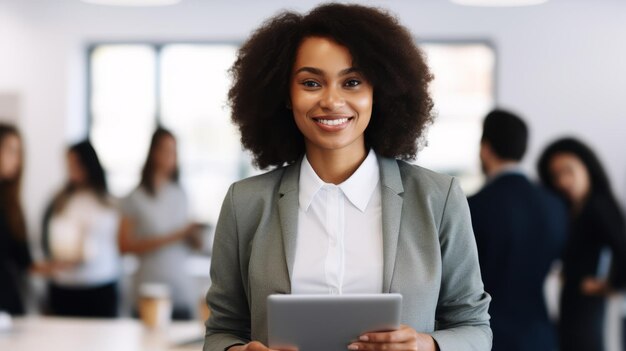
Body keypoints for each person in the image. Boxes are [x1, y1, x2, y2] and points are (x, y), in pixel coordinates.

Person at [204, 4, 491, 351]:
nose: (332, 100)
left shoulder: (438, 198)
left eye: (352, 82)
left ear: (378, 91)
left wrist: (425, 345)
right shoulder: (245, 204)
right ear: (285, 95)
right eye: (311, 83)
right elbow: (222, 330)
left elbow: (474, 327)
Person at [468, 110, 567, 351]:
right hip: (541, 335)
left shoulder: (472, 206)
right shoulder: (555, 205)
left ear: (485, 149)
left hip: (488, 336)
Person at [537, 137, 626, 351]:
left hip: (586, 300)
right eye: (556, 175)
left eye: (569, 171)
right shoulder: (570, 208)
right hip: (570, 296)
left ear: (586, 166)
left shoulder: (598, 205)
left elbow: (623, 248)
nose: (563, 181)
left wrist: (610, 285)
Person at [119, 127, 202, 320]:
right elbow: (123, 246)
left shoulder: (181, 194)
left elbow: (190, 244)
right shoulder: (135, 198)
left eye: (174, 151)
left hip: (179, 288)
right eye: (166, 150)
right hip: (148, 291)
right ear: (153, 153)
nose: (171, 157)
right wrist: (175, 235)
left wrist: (193, 236)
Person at [44, 140, 121, 317]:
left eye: (76, 163)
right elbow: (47, 237)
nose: (72, 169)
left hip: (99, 283)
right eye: (69, 164)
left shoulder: (106, 201)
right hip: (65, 285)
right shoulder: (60, 200)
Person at [0, 123, 33, 315]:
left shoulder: (10, 202)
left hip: (8, 305)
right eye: (11, 151)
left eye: (19, 153)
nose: (17, 161)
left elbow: (22, 259)